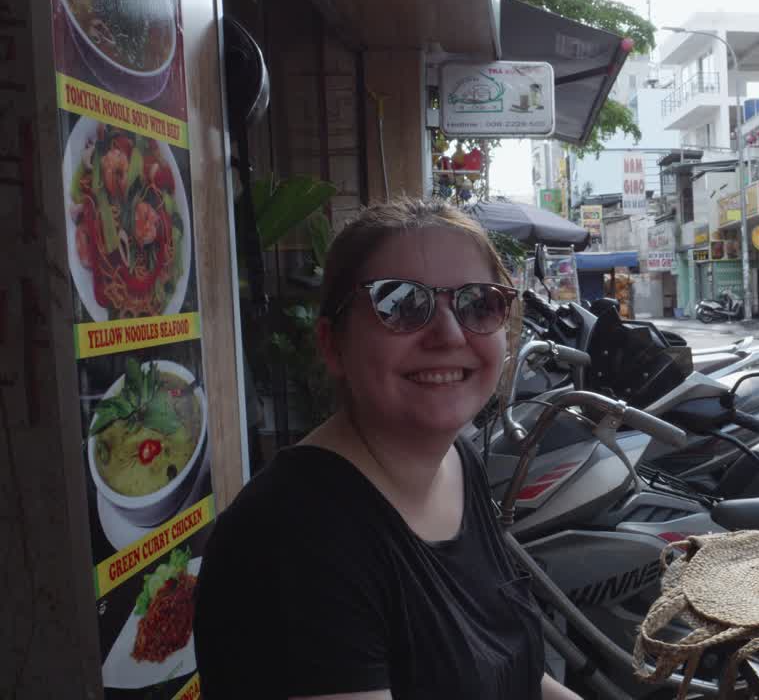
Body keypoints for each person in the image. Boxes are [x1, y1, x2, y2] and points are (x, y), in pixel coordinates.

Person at [194, 198, 582, 700]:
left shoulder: (455, 463)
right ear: (334, 345)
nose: (447, 334)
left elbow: (518, 673)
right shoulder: (294, 539)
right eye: (399, 304)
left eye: (478, 303)